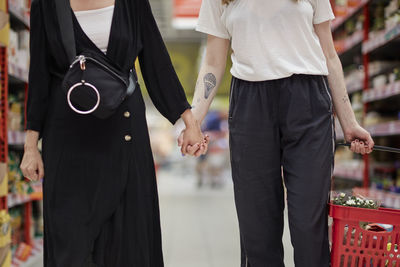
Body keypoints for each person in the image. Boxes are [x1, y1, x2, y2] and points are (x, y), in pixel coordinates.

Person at [179, 0, 375, 266]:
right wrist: (195, 121)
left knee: (309, 225)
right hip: (250, 106)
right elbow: (213, 62)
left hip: (309, 104)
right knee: (257, 229)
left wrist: (349, 123)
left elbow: (329, 55)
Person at [19, 0, 206, 266]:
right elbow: (39, 75)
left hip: (125, 134)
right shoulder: (47, 5)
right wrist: (30, 147)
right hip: (67, 141)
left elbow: (155, 60)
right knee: (70, 245)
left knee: (129, 243)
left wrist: (189, 122)